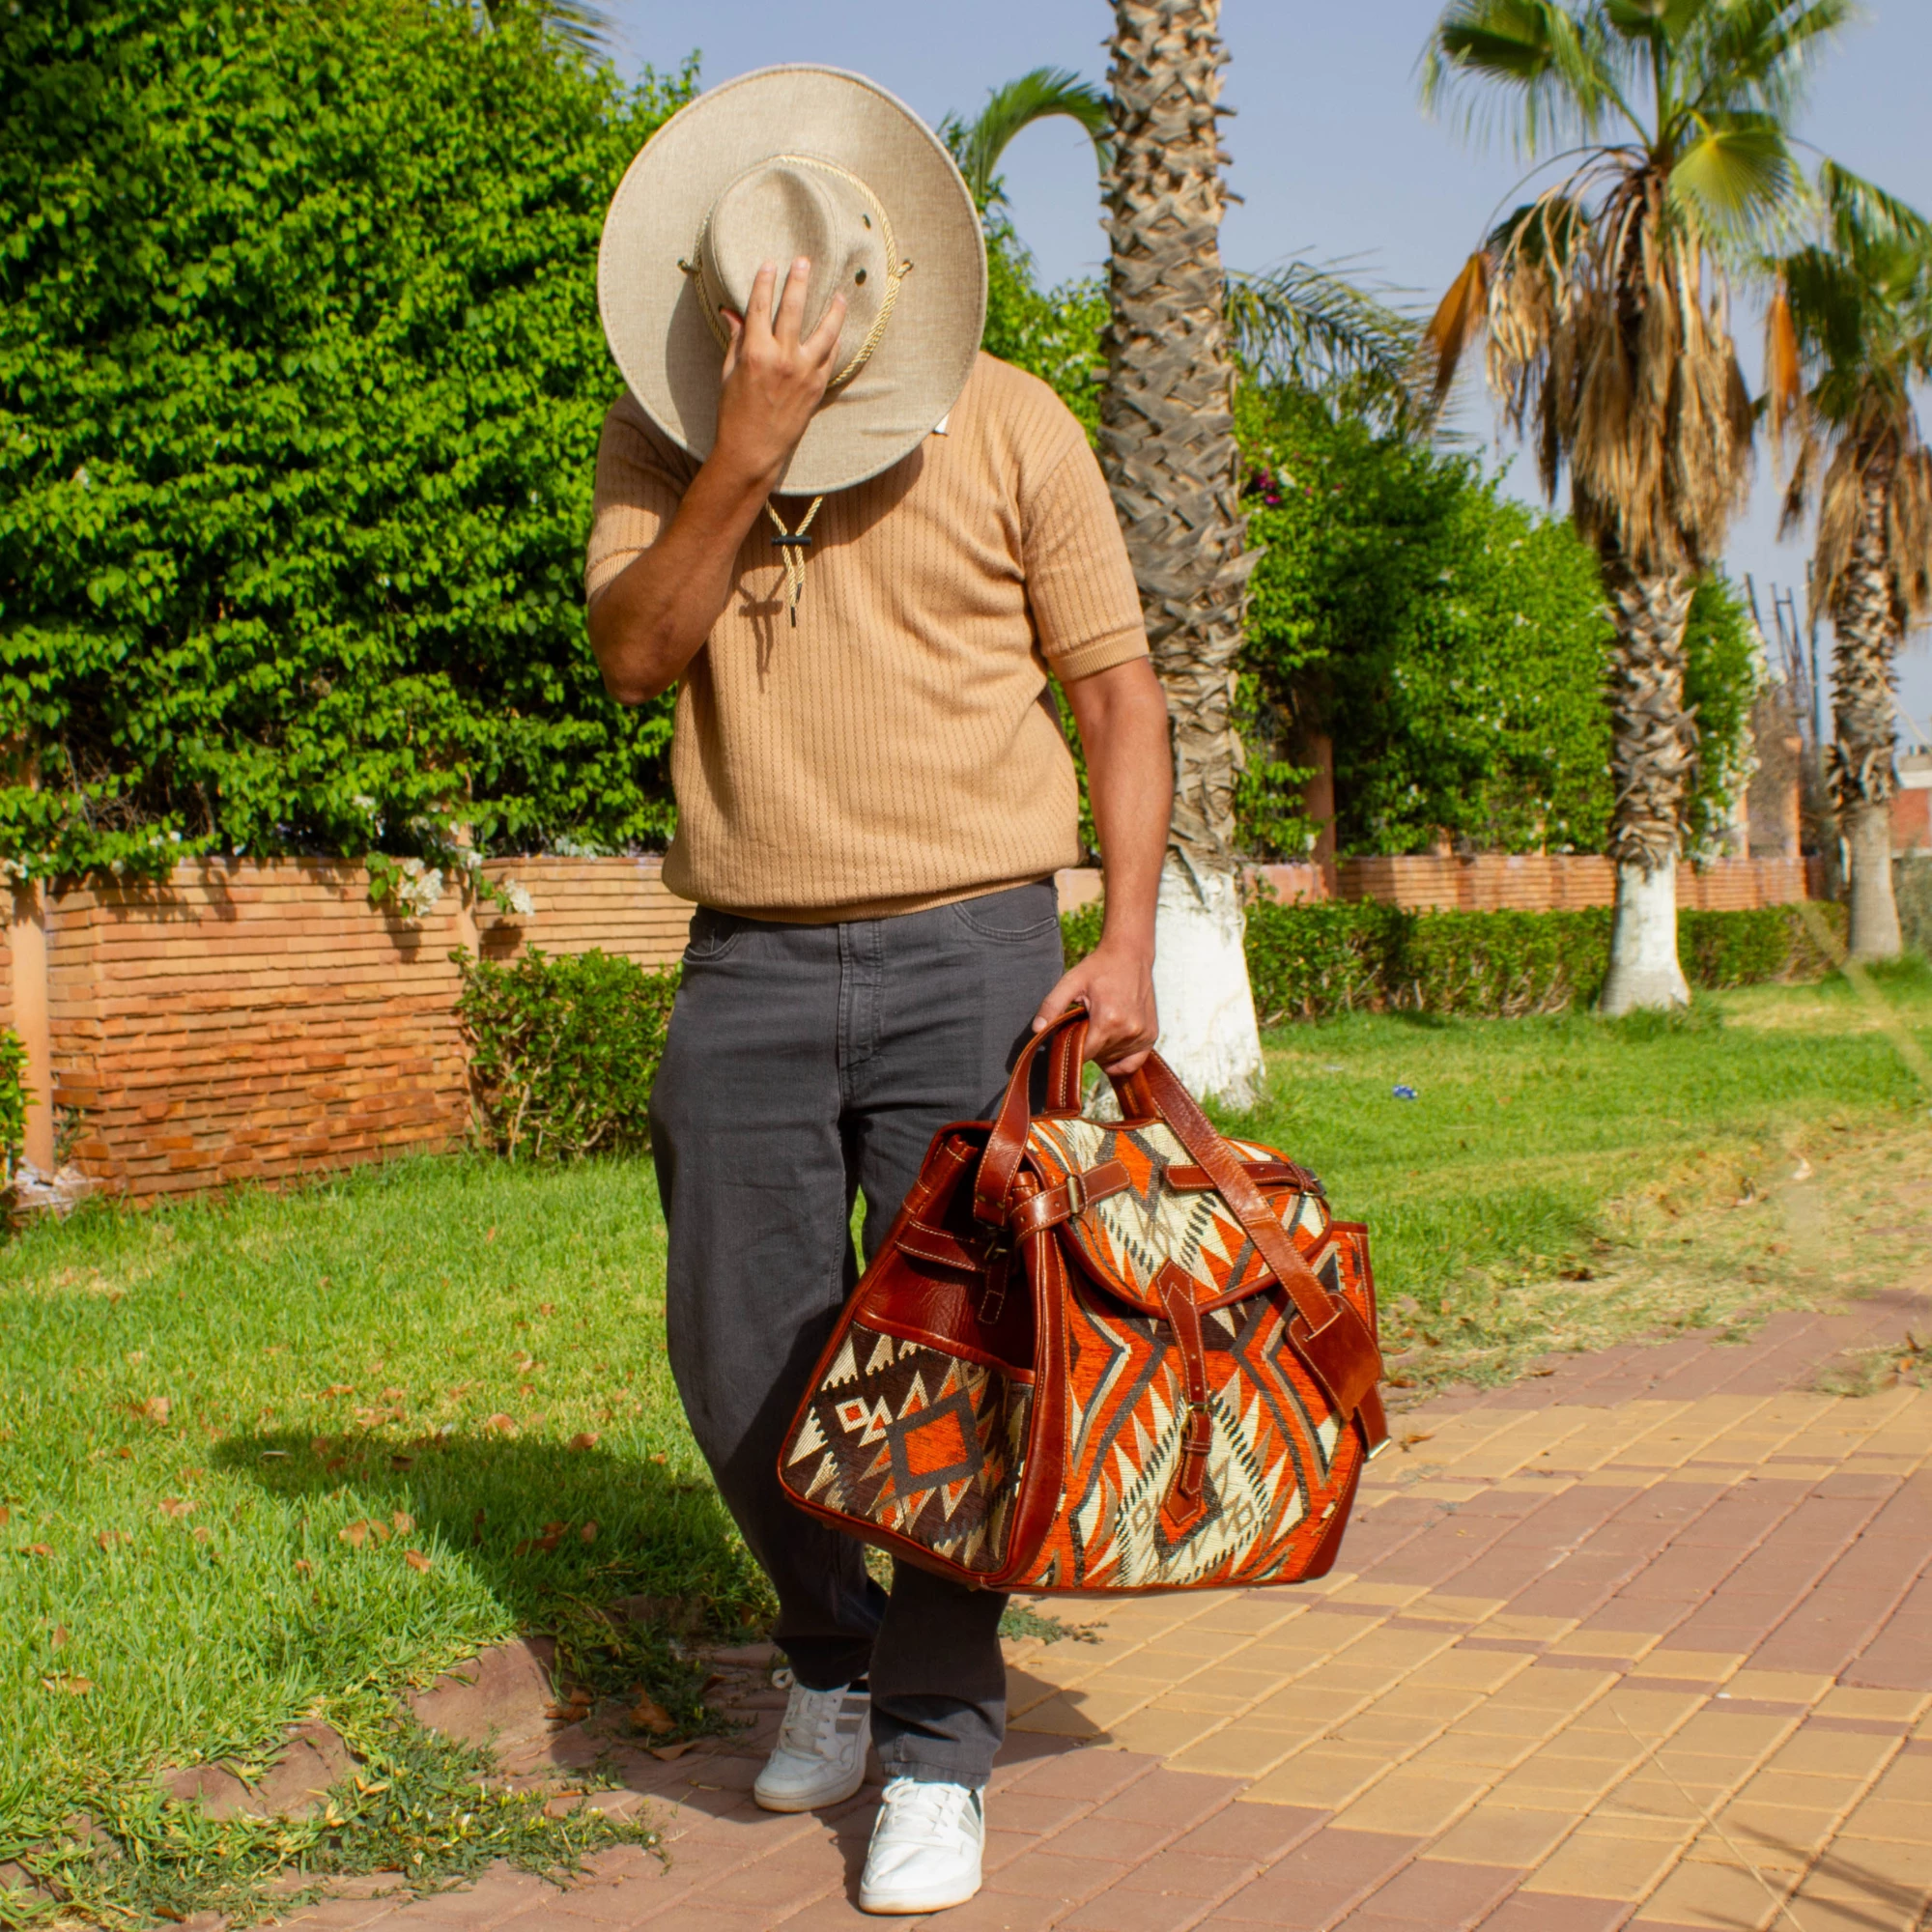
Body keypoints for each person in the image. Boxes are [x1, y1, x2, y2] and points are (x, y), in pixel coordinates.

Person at [584, 66, 1171, 1917]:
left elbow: (1120, 691)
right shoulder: (661, 432)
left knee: (960, 1354)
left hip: (973, 950)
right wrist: (740, 452)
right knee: (738, 1353)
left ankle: (935, 1736)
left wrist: (1132, 939)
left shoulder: (1012, 426)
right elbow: (631, 659)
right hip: (746, 957)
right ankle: (825, 1652)